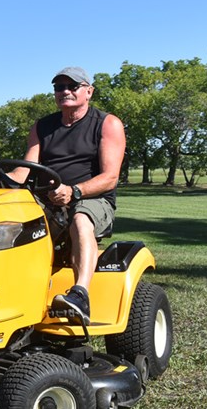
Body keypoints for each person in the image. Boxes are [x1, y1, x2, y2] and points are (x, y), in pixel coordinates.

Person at [12, 66, 126, 325]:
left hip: (94, 198)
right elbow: (24, 170)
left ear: (89, 91)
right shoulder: (42, 127)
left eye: (71, 86)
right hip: (48, 197)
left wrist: (74, 191)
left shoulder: (107, 123)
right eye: (58, 87)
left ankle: (80, 295)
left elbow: (110, 177)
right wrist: (4, 184)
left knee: (81, 218)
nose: (64, 91)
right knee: (9, 220)